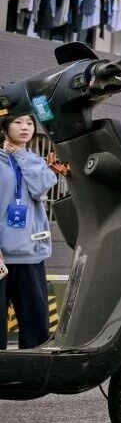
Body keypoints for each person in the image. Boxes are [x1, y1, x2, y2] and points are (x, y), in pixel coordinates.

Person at [0, 115, 58, 350]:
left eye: (29, 123)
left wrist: (21, 156)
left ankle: (31, 374)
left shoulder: (34, 161)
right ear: (5, 127)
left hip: (31, 255)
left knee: (36, 328)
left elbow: (41, 187)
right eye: (18, 122)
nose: (25, 127)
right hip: (1, 258)